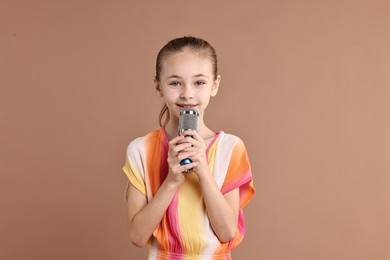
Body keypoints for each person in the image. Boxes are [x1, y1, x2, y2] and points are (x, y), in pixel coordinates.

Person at [122, 36, 255, 260]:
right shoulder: (141, 150)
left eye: (199, 82)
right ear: (158, 86)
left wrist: (203, 170)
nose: (187, 94)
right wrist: (171, 181)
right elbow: (137, 236)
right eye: (175, 83)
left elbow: (226, 232)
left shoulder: (230, 148)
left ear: (214, 85)